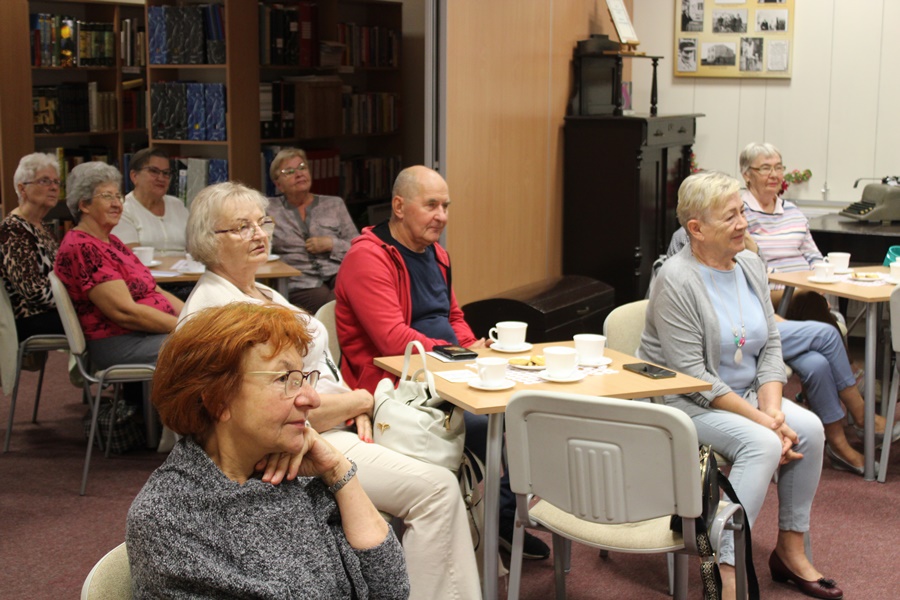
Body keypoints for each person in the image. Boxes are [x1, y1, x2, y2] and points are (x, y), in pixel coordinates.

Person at [180, 181, 479, 598]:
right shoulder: (215, 314)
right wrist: (359, 400)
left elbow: (314, 376)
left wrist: (353, 404)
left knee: (455, 449)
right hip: (300, 444)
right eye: (241, 227)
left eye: (261, 222)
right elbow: (267, 414)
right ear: (206, 240)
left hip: (336, 421)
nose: (259, 233)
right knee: (437, 490)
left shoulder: (260, 293)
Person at [641, 171, 841, 600]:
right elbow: (693, 377)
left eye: (741, 213)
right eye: (730, 216)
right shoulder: (674, 278)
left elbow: (769, 347)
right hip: (685, 403)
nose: (743, 224)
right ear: (696, 229)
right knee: (764, 444)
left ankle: (789, 548)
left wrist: (773, 413)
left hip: (746, 396)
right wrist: (765, 425)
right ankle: (726, 566)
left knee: (810, 429)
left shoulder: (749, 263)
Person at [335, 165, 551, 560]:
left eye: (446, 206)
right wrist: (459, 355)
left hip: (449, 369)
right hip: (398, 385)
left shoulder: (436, 254)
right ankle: (496, 521)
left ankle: (500, 516)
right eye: (431, 205)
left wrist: (473, 345)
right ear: (399, 207)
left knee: (531, 410)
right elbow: (393, 339)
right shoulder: (367, 259)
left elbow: (452, 315)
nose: (442, 216)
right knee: (494, 426)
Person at [126, 302, 410, 599]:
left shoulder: (295, 473)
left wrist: (339, 472)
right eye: (284, 379)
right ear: (217, 401)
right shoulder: (171, 518)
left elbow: (391, 589)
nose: (312, 399)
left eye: (303, 377)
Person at [668, 227, 898, 474]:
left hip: (761, 312)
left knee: (816, 363)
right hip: (734, 328)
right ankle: (861, 414)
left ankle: (838, 443)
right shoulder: (694, 244)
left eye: (740, 212)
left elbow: (773, 275)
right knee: (827, 334)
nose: (739, 221)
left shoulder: (786, 216)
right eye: (732, 212)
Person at [53, 161, 182, 373]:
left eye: (118, 197)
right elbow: (125, 312)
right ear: (84, 205)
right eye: (107, 197)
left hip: (147, 334)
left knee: (221, 341)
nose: (117, 204)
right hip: (121, 342)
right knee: (215, 348)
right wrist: (185, 328)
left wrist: (193, 318)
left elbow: (154, 290)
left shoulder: (112, 241)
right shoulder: (83, 248)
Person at [739, 142, 841, 328]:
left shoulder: (793, 211)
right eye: (765, 168)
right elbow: (748, 265)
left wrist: (820, 279)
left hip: (805, 291)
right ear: (747, 174)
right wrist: (798, 287)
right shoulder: (740, 213)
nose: (774, 174)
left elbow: (813, 255)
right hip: (765, 293)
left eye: (778, 168)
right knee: (810, 303)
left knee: (812, 305)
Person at [266, 148, 359, 313]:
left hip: (339, 275)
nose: (299, 174)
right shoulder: (269, 210)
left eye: (302, 167)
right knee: (335, 306)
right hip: (300, 282)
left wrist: (332, 244)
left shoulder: (334, 204)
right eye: (289, 171)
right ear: (278, 185)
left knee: (351, 292)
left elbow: (359, 247)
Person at [1, 153, 64, 341]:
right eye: (45, 181)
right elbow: (34, 292)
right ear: (22, 189)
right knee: (100, 318)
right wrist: (80, 299)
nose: (53, 187)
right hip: (30, 318)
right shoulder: (12, 230)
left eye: (56, 182)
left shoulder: (43, 226)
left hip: (55, 310)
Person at [111, 147, 189, 255]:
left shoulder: (177, 205)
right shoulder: (123, 210)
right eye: (154, 171)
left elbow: (196, 247)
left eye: (166, 173)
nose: (161, 178)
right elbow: (131, 258)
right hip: (145, 271)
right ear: (134, 176)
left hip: (185, 270)